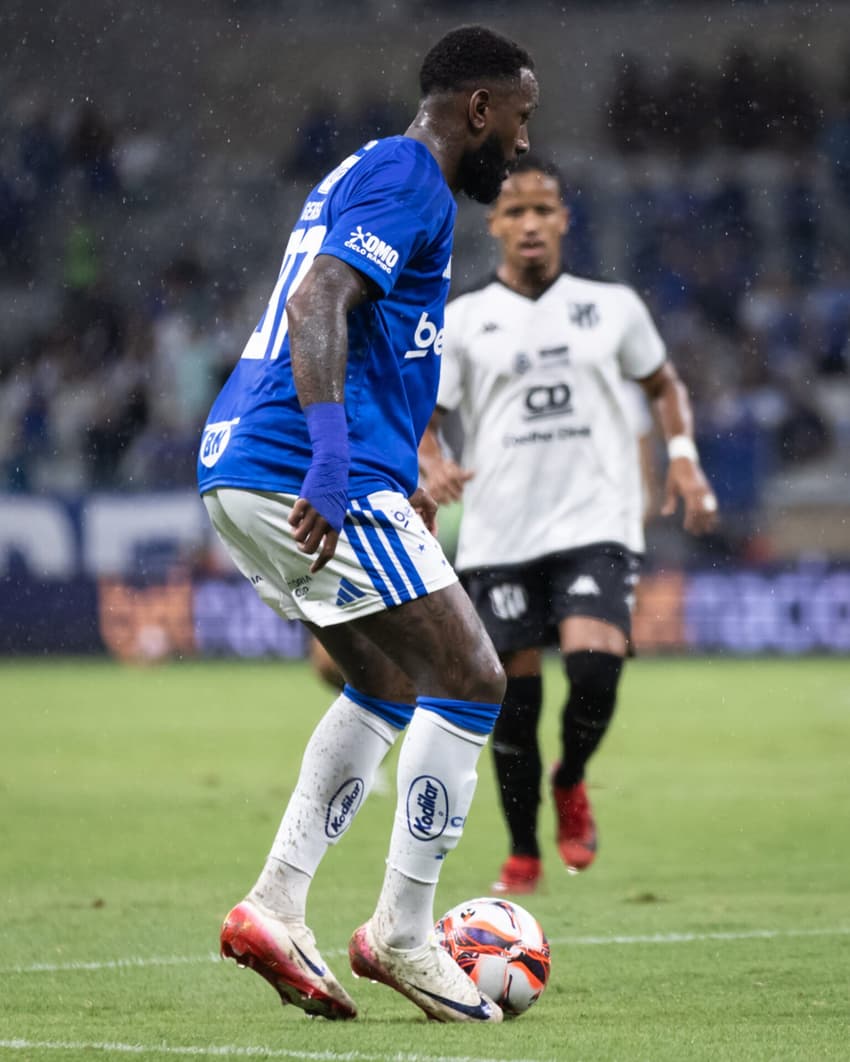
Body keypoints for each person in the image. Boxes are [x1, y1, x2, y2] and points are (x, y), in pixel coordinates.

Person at [196, 26, 538, 1023]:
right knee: (472, 677)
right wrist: (334, 459)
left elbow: (376, 334)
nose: (523, 143)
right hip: (293, 464)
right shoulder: (411, 177)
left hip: (242, 463)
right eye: (520, 119)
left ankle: (275, 906)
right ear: (478, 108)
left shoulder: (373, 170)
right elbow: (319, 301)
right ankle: (402, 932)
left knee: (387, 679)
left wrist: (402, 461)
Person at [418, 156, 718, 895]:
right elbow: (426, 415)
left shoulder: (611, 307)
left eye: (543, 209)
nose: (530, 223)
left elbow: (663, 384)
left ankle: (571, 776)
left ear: (564, 220)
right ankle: (523, 850)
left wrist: (683, 460)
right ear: (494, 224)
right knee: (514, 706)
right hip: (499, 530)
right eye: (515, 211)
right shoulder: (464, 320)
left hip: (596, 520)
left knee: (593, 666)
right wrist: (429, 460)